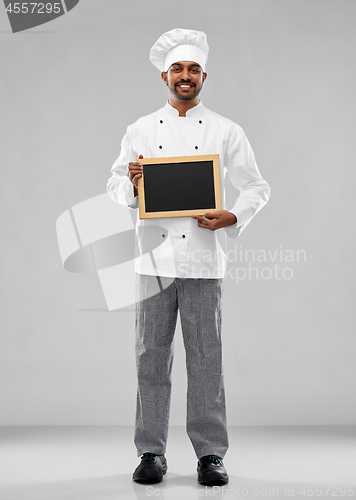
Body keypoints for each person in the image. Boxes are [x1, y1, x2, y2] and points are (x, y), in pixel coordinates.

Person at [107, 28, 270, 487]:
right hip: (152, 263)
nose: (185, 76)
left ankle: (210, 454)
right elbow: (114, 185)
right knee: (150, 357)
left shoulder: (225, 130)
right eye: (177, 68)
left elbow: (258, 186)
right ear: (165, 76)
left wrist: (232, 215)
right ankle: (150, 452)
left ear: (204, 76)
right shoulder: (140, 128)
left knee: (206, 358)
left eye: (193, 69)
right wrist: (134, 184)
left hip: (203, 260)